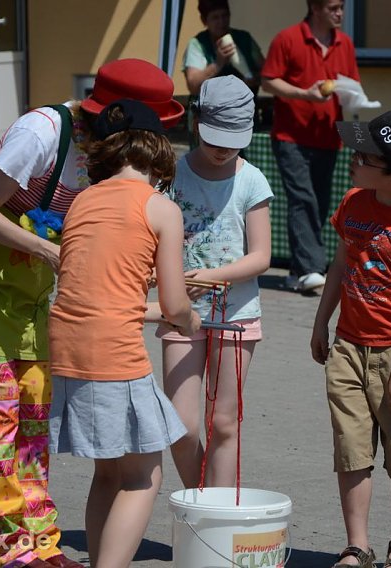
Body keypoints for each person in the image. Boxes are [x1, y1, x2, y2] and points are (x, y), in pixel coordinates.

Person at [0, 59, 183, 568]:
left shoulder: (106, 158)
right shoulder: (43, 130)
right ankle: (4, 551)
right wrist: (52, 253)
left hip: (30, 286)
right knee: (3, 410)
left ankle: (39, 543)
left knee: (33, 411)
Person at [47, 99, 201, 568]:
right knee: (143, 476)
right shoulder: (160, 208)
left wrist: (152, 294)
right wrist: (190, 322)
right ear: (157, 150)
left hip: (68, 343)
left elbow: (103, 286)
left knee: (109, 472)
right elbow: (176, 305)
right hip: (113, 350)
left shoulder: (82, 200)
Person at [310, 108, 391, 568]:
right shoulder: (353, 202)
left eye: (364, 155)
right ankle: (357, 545)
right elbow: (340, 264)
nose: (354, 157)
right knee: (351, 449)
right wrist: (321, 321)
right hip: (347, 347)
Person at [159, 75, 273, 488]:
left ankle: (217, 522)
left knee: (224, 424)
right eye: (215, 138)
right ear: (195, 123)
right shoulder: (171, 173)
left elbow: (261, 256)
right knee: (180, 425)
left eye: (234, 139)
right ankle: (203, 501)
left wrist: (208, 276)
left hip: (237, 316)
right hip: (180, 313)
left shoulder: (251, 180)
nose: (224, 148)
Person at [262, 0, 360, 295]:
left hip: (328, 137)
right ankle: (311, 269)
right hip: (291, 136)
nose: (340, 13)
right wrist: (303, 94)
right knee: (302, 199)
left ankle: (297, 271)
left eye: (341, 7)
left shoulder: (345, 43)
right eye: (333, 7)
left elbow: (353, 83)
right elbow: (268, 81)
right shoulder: (288, 38)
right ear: (315, 8)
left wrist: (353, 95)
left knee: (319, 203)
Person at [183, 0, 264, 97]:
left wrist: (255, 78)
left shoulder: (244, 39)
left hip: (244, 108)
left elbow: (267, 73)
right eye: (215, 18)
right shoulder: (198, 44)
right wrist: (218, 64)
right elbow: (193, 86)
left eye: (224, 16)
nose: (221, 22)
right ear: (204, 20)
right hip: (210, 110)